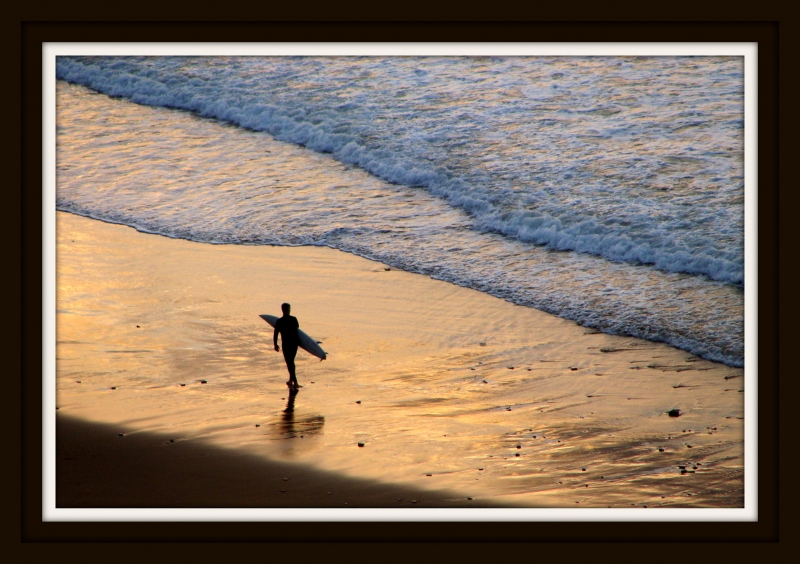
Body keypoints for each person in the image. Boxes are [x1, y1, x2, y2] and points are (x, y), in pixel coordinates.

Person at [274, 303, 301, 389]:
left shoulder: (281, 321)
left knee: (290, 363)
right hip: (292, 344)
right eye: (288, 309)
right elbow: (276, 334)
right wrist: (275, 344)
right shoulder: (291, 320)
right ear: (284, 310)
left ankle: (295, 382)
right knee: (291, 362)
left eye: (289, 309)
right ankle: (292, 381)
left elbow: (275, 334)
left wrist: (275, 344)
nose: (289, 310)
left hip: (290, 344)